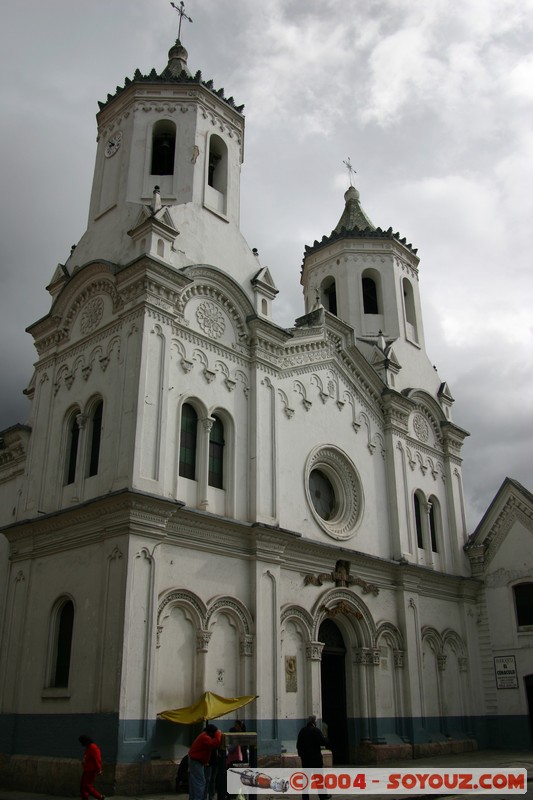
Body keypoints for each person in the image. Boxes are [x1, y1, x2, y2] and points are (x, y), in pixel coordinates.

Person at [296, 716, 330, 800]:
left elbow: (298, 745)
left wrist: (301, 755)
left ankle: (305, 797)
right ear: (314, 722)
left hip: (306, 759)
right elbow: (323, 742)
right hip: (315, 759)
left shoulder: (302, 731)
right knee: (319, 778)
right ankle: (323, 796)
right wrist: (326, 738)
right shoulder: (316, 731)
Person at [188, 723, 223, 800]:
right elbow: (215, 743)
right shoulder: (205, 737)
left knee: (194, 782)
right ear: (211, 733)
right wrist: (218, 733)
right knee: (200, 782)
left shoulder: (203, 735)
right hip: (196, 761)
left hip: (194, 760)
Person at [78, 735, 105, 800]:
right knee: (82, 786)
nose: (82, 745)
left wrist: (99, 769)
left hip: (91, 770)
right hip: (87, 769)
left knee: (87, 786)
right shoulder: (88, 747)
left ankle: (100, 797)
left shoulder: (93, 747)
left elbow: (97, 759)